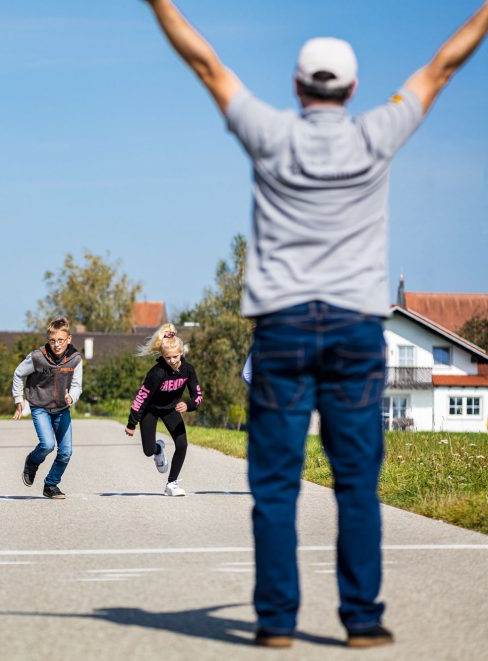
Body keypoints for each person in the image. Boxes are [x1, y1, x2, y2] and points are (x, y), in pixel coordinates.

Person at [140, 0, 488, 648]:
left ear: (297, 88)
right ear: (354, 89)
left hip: (282, 330)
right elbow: (441, 68)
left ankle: (275, 621)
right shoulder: (377, 131)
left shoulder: (270, 131)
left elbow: (204, 62)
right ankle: (362, 619)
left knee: (274, 480)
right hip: (357, 330)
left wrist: (159, 2)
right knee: (357, 480)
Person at [12, 317, 83, 499]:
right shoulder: (37, 357)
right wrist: (19, 398)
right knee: (47, 444)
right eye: (52, 341)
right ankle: (32, 461)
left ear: (69, 339)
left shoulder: (75, 359)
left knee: (66, 452)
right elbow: (19, 373)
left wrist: (71, 397)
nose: (56, 345)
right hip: (40, 407)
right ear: (48, 339)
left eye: (61, 340)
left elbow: (77, 385)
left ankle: (51, 485)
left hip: (61, 408)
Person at [124, 335, 203, 496]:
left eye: (175, 356)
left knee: (182, 444)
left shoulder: (188, 370)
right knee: (148, 451)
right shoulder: (157, 373)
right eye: (168, 357)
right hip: (150, 410)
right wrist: (132, 423)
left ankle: (171, 484)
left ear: (181, 352)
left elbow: (198, 395)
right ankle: (158, 448)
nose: (172, 361)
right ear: (163, 356)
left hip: (170, 409)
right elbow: (142, 397)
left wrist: (188, 405)